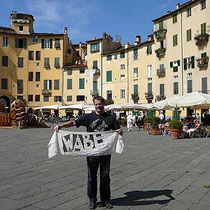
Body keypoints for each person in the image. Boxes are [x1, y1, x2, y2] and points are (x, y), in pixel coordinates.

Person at [54, 96, 123, 209]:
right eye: (96, 104)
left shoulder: (111, 118)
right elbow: (74, 122)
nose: (98, 106)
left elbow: (118, 131)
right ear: (94, 105)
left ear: (103, 104)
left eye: (100, 104)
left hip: (105, 152)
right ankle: (92, 200)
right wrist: (61, 126)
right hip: (91, 152)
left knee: (105, 177)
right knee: (91, 177)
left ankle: (106, 200)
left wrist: (120, 133)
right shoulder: (88, 117)